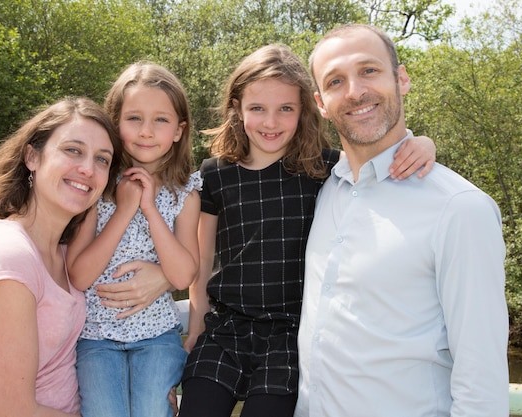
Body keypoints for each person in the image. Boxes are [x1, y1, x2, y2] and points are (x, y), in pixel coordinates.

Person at [178, 44, 436, 417]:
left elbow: (381, 158)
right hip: (225, 330)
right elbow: (202, 261)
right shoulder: (215, 174)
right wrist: (197, 327)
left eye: (285, 109)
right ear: (237, 108)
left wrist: (422, 143)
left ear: (306, 110)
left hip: (291, 337)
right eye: (257, 109)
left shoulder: (326, 168)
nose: (271, 122)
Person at [295, 24, 509, 417]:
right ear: (321, 103)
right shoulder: (324, 190)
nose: (355, 91)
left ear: (402, 78)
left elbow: (482, 377)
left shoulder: (460, 209)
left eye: (369, 71)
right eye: (336, 81)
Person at [0, 96, 121, 417]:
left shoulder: (65, 251)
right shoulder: (10, 256)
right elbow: (11, 410)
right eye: (73, 150)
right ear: (32, 156)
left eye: (102, 159)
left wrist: (162, 278)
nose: (87, 168)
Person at [66, 61, 201, 417]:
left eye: (160, 119)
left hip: (157, 337)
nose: (146, 131)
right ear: (115, 123)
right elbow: (79, 275)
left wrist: (151, 209)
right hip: (96, 338)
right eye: (134, 118)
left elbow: (183, 275)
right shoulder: (97, 185)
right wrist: (125, 208)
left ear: (178, 130)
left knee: (151, 411)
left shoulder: (185, 194)